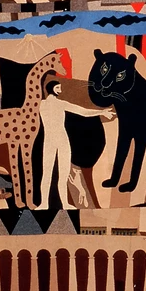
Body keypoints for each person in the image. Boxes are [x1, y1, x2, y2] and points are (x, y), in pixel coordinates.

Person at [39, 80, 114, 209]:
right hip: (50, 141)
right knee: (47, 173)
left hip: (62, 140)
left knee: (63, 173)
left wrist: (101, 112)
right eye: (58, 88)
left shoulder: (59, 103)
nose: (60, 90)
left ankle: (64, 203)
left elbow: (82, 111)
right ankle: (44, 203)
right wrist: (101, 112)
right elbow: (82, 111)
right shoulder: (42, 104)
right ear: (51, 88)